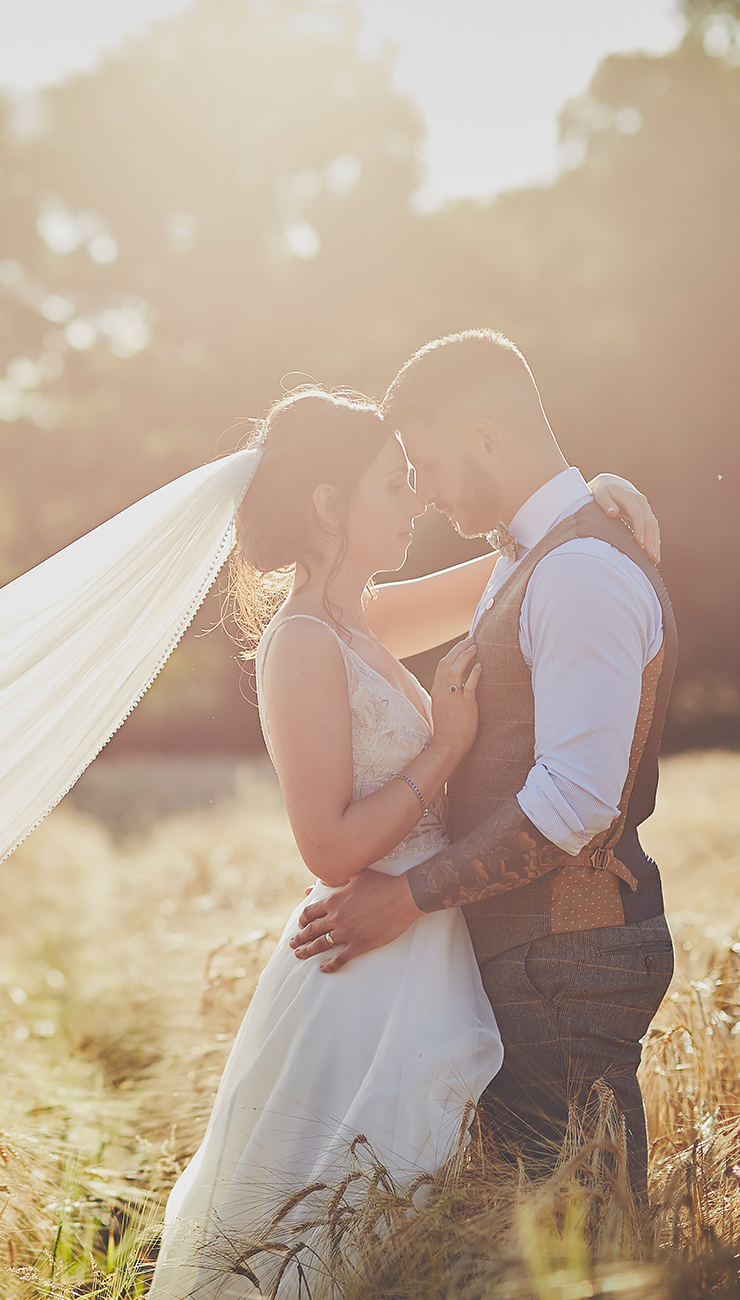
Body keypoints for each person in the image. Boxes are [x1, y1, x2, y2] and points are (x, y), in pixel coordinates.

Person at [147, 383, 660, 1300]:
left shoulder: (361, 621)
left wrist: (600, 496)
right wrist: (446, 749)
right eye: (394, 482)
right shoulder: (300, 639)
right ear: (328, 505)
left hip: (427, 941)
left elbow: (522, 559)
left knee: (413, 1223)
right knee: (336, 1232)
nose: (417, 497)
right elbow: (328, 848)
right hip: (369, 958)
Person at [291, 331, 676, 1204]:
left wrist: (408, 894)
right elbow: (384, 617)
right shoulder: (531, 556)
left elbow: (576, 799)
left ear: (487, 440)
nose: (420, 494)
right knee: (547, 1241)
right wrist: (592, 494)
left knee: (589, 1246)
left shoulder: (576, 568)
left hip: (566, 956)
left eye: (423, 464)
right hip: (523, 962)